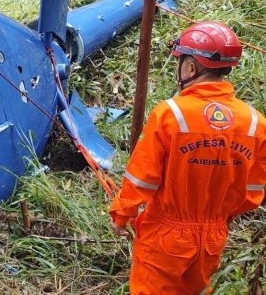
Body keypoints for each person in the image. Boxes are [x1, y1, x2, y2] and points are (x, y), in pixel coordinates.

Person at [109, 21, 266, 294]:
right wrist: (217, 217)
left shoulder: (170, 114)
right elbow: (253, 191)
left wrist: (122, 214)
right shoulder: (255, 122)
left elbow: (142, 177)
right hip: (214, 236)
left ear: (191, 67)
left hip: (166, 235)